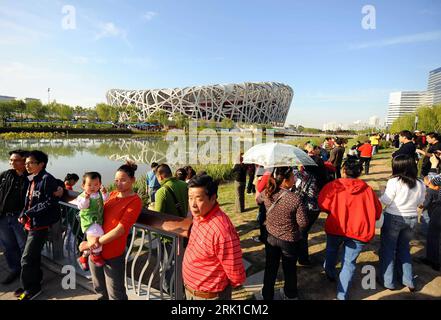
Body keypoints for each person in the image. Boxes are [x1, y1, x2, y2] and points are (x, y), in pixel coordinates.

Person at [318, 159, 382, 300]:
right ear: (359, 172)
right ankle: (342, 294)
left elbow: (322, 204)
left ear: (344, 170)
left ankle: (329, 272)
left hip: (336, 227)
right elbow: (377, 212)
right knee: (348, 263)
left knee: (331, 250)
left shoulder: (333, 186)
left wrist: (334, 209)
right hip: (358, 231)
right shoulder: (368, 190)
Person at [79, 161, 142, 300]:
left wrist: (92, 244)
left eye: (123, 180)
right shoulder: (112, 194)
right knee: (99, 289)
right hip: (95, 251)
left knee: (116, 293)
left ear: (133, 180)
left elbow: (120, 230)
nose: (119, 184)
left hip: (112, 252)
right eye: (116, 180)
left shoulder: (134, 201)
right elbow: (94, 215)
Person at [183, 174, 246, 300]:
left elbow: (234, 268)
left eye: (199, 199)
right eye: (190, 198)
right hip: (190, 290)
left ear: (213, 198)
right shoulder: (198, 216)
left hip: (209, 296)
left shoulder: (222, 230)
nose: (193, 204)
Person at [16, 150, 62, 300]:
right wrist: (24, 213)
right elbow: (28, 199)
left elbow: (49, 202)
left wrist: (29, 213)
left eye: (31, 163)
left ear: (41, 164)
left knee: (26, 259)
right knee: (33, 256)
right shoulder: (32, 177)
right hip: (30, 223)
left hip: (40, 225)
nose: (27, 165)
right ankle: (35, 280)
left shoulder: (47, 179)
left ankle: (31, 288)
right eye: (26, 163)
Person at [259, 166, 308, 300]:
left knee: (270, 267)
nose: (295, 178)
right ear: (285, 180)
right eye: (293, 176)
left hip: (270, 237)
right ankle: (290, 294)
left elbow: (258, 200)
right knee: (289, 268)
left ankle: (266, 295)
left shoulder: (267, 193)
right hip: (289, 240)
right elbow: (303, 222)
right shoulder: (295, 199)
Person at [378, 154, 426, 291]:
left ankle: (388, 282)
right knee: (404, 249)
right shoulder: (420, 183)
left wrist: (382, 193)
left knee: (388, 250)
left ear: (398, 166)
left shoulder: (394, 181)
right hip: (411, 218)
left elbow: (386, 201)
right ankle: (408, 280)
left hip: (394, 217)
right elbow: (421, 203)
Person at [0, 150, 29, 285]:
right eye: (10, 160)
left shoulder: (30, 177)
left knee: (24, 246)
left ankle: (28, 271)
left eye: (15, 160)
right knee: (8, 246)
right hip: (3, 217)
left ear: (24, 161)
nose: (12, 163)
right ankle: (14, 270)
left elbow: (53, 183)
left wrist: (60, 189)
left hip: (20, 218)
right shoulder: (5, 175)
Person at [77, 172, 108, 271]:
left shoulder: (98, 194)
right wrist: (86, 198)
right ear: (83, 186)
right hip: (89, 222)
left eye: (96, 184)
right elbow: (82, 206)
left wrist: (104, 193)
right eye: (89, 185)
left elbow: (105, 199)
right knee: (99, 237)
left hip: (98, 221)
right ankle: (95, 256)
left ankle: (84, 257)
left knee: (94, 240)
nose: (93, 187)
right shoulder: (82, 196)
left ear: (100, 184)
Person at [292, 166, 320, 266]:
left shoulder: (299, 175)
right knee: (302, 233)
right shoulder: (315, 176)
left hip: (307, 208)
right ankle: (302, 257)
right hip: (313, 209)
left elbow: (311, 195)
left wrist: (298, 193)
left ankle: (302, 259)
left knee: (301, 234)